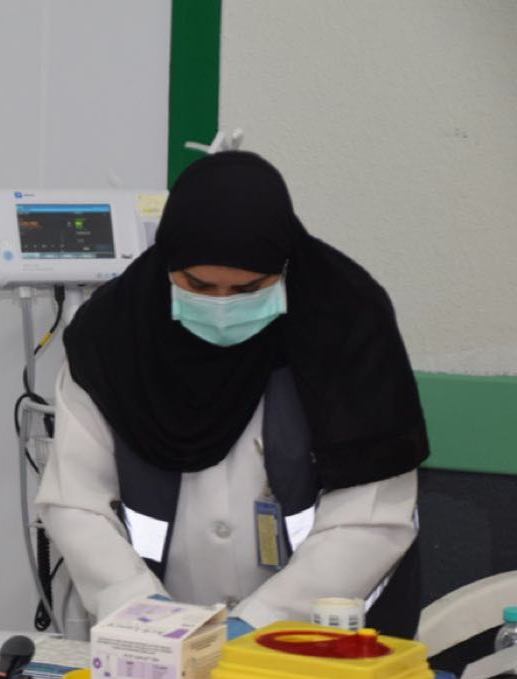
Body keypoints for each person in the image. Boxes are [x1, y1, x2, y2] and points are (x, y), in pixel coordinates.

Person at [36, 151, 428, 638]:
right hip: (161, 634)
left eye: (249, 289)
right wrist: (140, 608)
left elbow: (371, 515)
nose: (221, 305)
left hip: (322, 633)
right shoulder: (111, 339)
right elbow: (76, 503)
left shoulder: (348, 327)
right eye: (198, 285)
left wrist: (262, 623)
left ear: (285, 266)